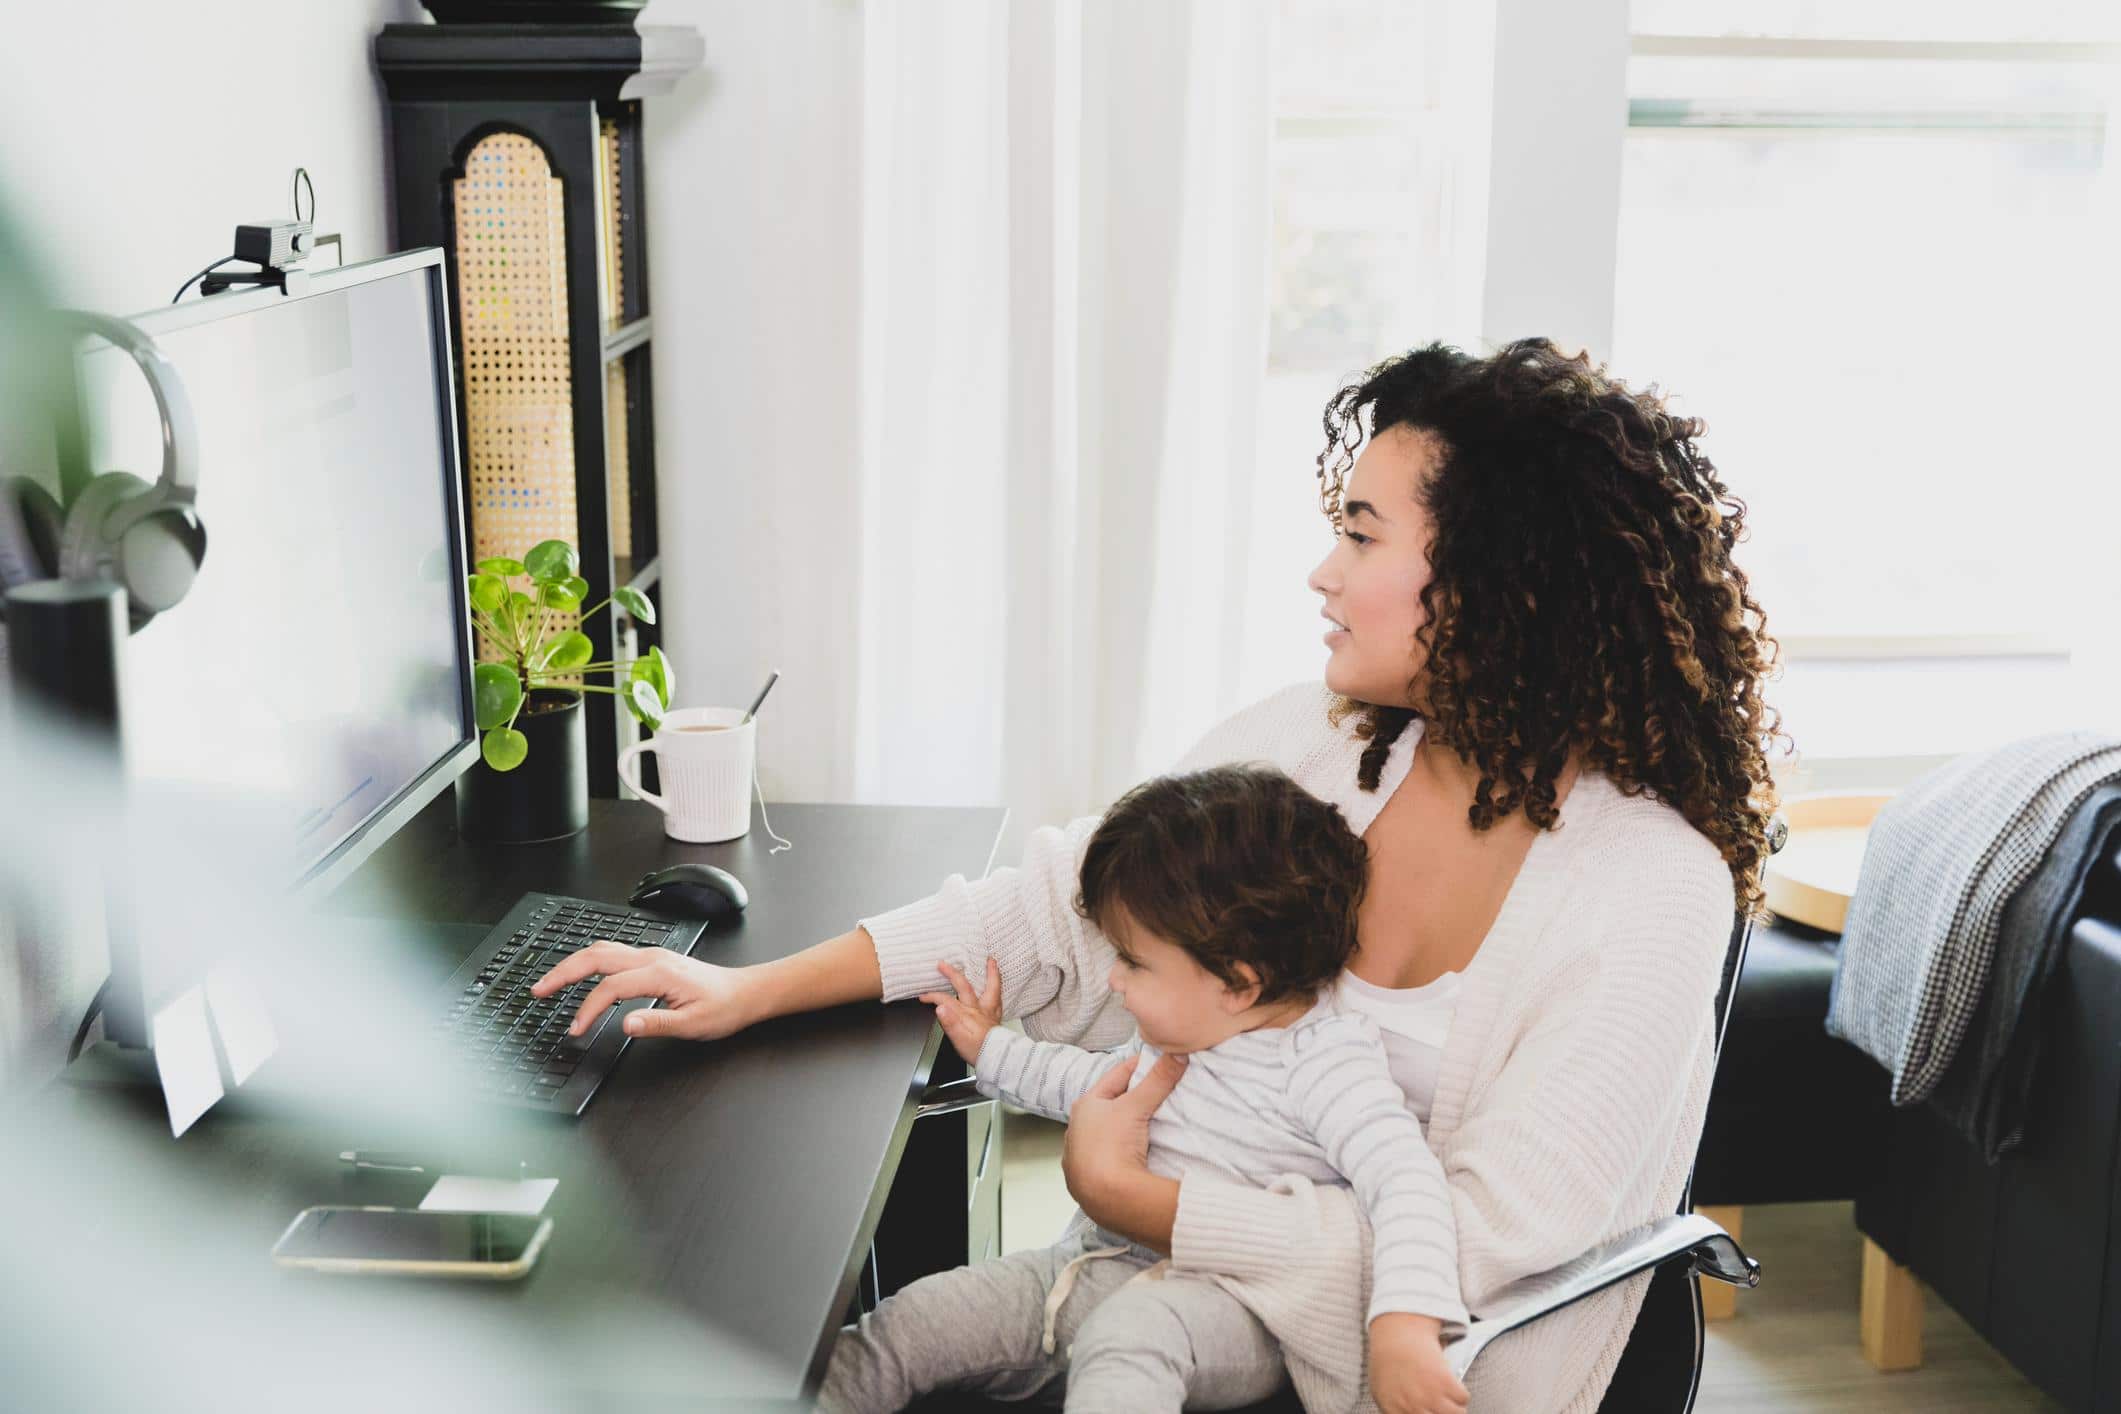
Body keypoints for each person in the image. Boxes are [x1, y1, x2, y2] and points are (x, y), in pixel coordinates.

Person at [532, 337, 1786, 1410]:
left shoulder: (1650, 886)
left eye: (1360, 533)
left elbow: (1472, 1250)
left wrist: (1135, 1196)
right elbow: (1049, 911)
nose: (1323, 572)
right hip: (1157, 1304)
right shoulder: (1313, 744)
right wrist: (748, 990)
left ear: (1501, 583)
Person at [818, 764, 1469, 1414]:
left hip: (1232, 1309)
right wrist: (989, 1045)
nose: (1113, 983)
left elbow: (1407, 1184)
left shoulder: (1326, 1064)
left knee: (1129, 1336)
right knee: (910, 1319)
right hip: (1092, 1270)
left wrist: (1404, 1324)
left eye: (1131, 962)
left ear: (1237, 983)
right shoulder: (1175, 1039)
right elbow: (1086, 1085)